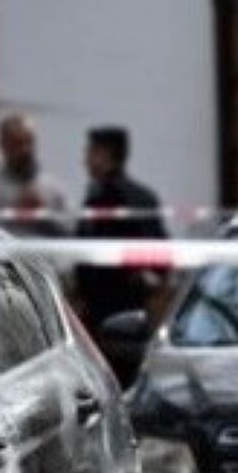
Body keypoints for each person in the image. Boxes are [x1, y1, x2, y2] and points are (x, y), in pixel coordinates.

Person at [73, 126, 169, 330]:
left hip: (108, 305)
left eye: (90, 152)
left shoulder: (104, 198)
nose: (85, 160)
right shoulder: (142, 196)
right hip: (134, 306)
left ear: (105, 154)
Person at [0, 113, 70, 237]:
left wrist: (44, 216)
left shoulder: (52, 187)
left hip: (47, 253)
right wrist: (15, 212)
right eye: (18, 143)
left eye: (29, 142)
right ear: (3, 145)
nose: (25, 150)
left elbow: (70, 228)